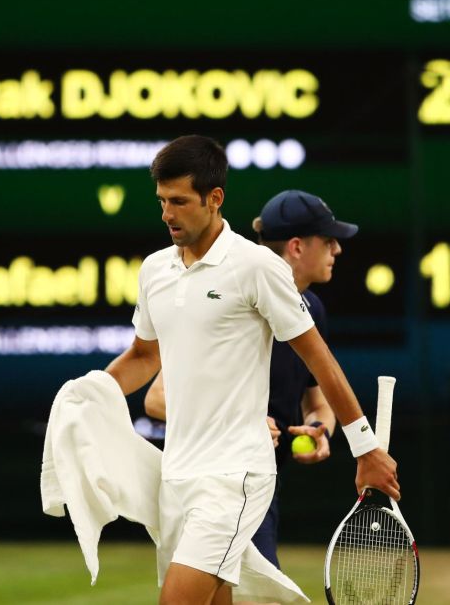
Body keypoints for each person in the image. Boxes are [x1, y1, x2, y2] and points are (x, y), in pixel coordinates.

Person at [104, 135, 398, 605]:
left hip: (236, 477)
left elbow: (320, 361)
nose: (167, 214)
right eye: (162, 202)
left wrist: (365, 449)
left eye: (179, 202)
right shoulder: (155, 271)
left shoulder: (257, 267)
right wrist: (88, 393)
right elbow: (142, 359)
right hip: (177, 479)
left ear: (214, 198)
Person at [144, 189, 357, 571]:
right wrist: (239, 422)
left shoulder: (311, 309)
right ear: (296, 247)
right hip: (214, 481)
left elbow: (319, 401)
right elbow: (157, 398)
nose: (337, 250)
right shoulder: (231, 301)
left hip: (260, 484)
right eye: (328, 240)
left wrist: (319, 428)